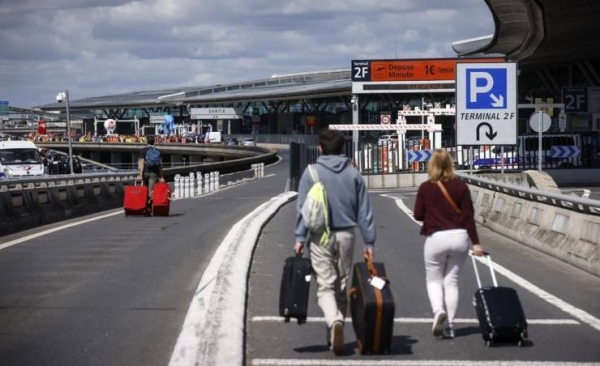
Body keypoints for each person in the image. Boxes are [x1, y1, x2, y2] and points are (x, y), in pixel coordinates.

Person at [294, 129, 376, 356]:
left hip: (321, 237)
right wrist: (369, 243)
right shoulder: (354, 174)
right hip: (347, 236)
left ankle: (335, 321)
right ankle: (333, 335)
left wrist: (300, 238)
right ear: (342, 149)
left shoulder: (311, 173)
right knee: (341, 286)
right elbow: (365, 211)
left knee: (324, 288)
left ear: (320, 148)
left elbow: (303, 209)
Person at [413, 149, 485, 339]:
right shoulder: (461, 187)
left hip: (436, 238)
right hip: (460, 237)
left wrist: (433, 214)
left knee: (434, 280)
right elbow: (469, 217)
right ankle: (451, 325)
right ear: (451, 164)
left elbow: (418, 215)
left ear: (432, 166)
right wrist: (476, 243)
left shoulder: (426, 187)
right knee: (451, 281)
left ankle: (438, 311)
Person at [136, 135, 165, 216]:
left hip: (145, 173)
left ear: (146, 142)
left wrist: (140, 175)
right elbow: (160, 165)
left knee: (143, 191)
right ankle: (149, 208)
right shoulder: (158, 151)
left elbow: (141, 163)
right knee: (151, 192)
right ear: (154, 142)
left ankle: (143, 208)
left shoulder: (143, 151)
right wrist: (161, 177)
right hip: (154, 173)